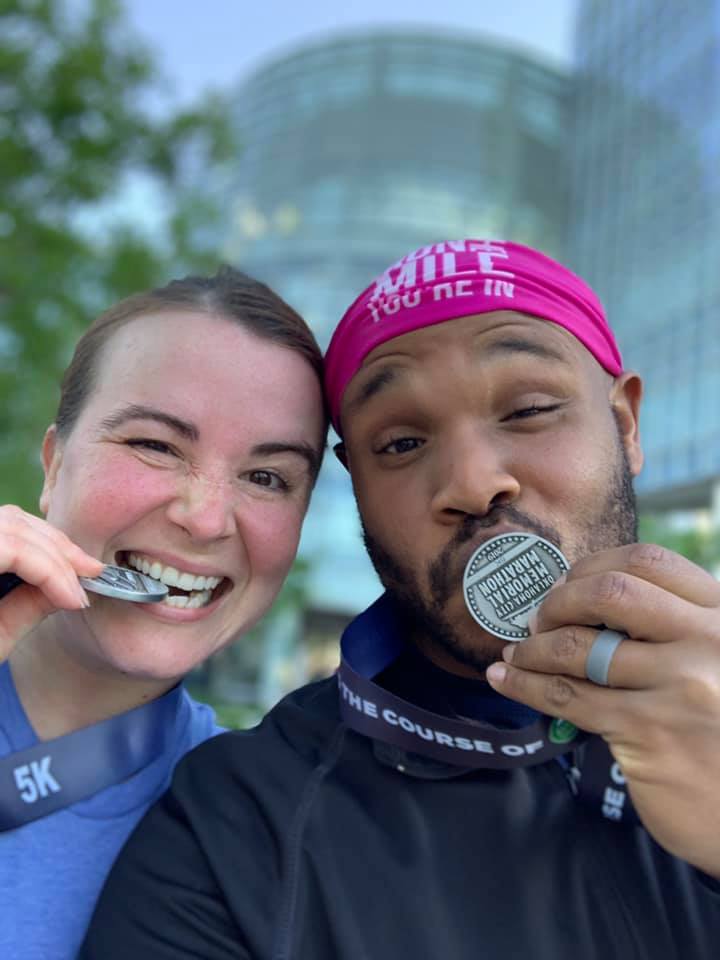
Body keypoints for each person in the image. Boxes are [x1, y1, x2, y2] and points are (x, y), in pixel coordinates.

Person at [80, 240, 720, 959]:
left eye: (530, 409)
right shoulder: (232, 831)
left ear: (626, 425)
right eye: (402, 443)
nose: (474, 483)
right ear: (354, 485)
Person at [0, 265, 327, 960]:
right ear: (55, 464)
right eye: (154, 445)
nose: (205, 519)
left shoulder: (261, 836)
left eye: (267, 477)